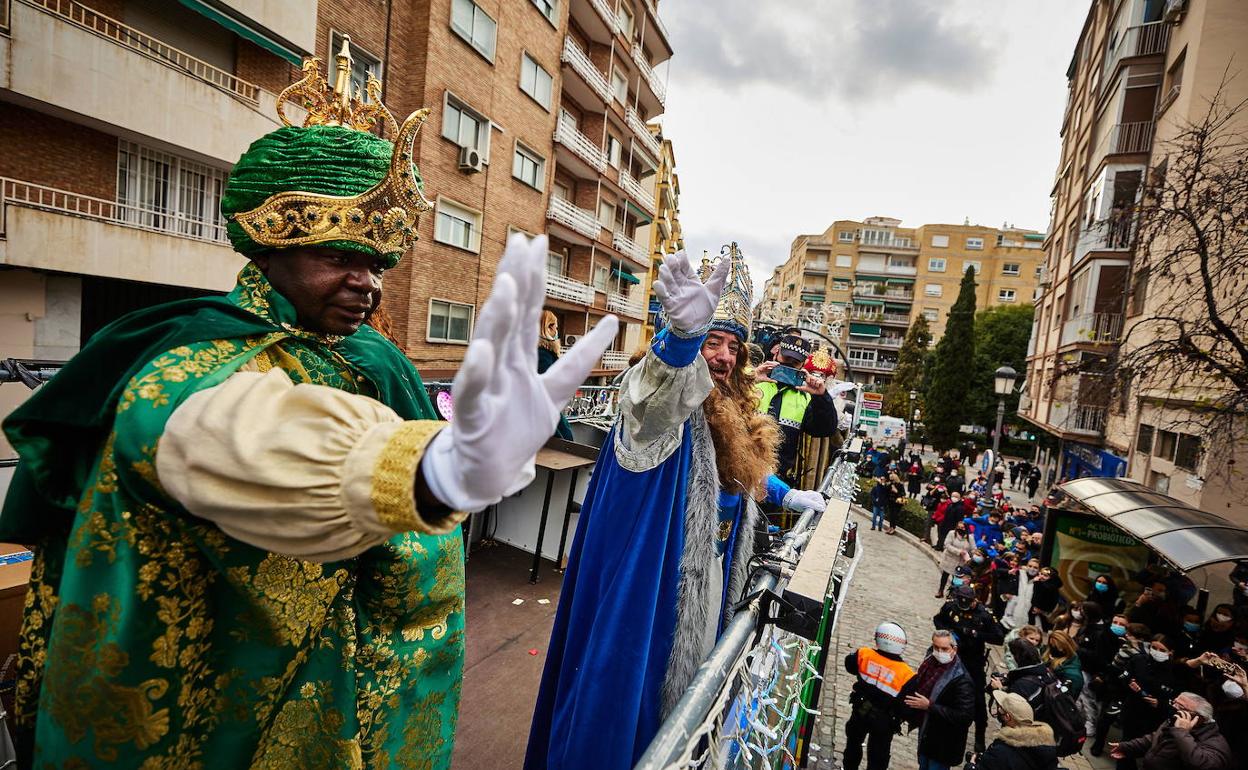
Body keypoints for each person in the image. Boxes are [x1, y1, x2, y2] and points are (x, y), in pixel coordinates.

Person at [0, 59, 619, 768]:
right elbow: (223, 432)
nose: (368, 285)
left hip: (357, 661)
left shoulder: (370, 355)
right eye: (338, 257)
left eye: (379, 264)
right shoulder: (191, 354)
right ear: (272, 247)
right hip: (236, 686)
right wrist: (426, 472)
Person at [525, 246, 827, 770]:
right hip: (661, 586)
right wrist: (682, 340)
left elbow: (736, 473)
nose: (725, 357)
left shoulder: (730, 409)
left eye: (734, 346)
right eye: (715, 341)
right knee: (640, 711)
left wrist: (781, 493)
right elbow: (652, 399)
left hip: (712, 576)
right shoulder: (669, 403)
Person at [753, 334, 842, 485]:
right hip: (742, 471)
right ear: (776, 354)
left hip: (777, 480)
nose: (789, 365)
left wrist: (821, 397)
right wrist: (749, 378)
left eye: (795, 363)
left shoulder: (805, 397)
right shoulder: (755, 383)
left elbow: (825, 429)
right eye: (786, 359)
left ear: (802, 365)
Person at [935, 585, 1006, 752]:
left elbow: (999, 638)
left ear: (974, 600)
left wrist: (976, 633)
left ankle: (979, 738)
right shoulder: (951, 606)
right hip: (952, 656)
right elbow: (938, 619)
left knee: (978, 702)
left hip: (973, 662)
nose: (963, 604)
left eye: (967, 602)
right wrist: (948, 632)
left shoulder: (985, 615)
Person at [842, 623, 917, 770]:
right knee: (878, 757)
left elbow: (849, 666)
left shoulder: (863, 654)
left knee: (853, 744)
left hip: (861, 709)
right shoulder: (906, 674)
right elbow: (906, 705)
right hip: (885, 719)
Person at [899, 630, 976, 770]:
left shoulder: (962, 680)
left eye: (944, 649)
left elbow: (965, 717)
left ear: (954, 649)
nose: (939, 652)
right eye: (936, 647)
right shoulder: (930, 662)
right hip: (927, 732)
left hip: (944, 743)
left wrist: (930, 706)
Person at [1111, 692, 1232, 770]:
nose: (1174, 708)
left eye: (1181, 707)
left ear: (1199, 717)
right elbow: (1155, 738)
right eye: (1174, 703)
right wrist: (1127, 747)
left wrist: (1182, 733)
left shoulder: (1215, 743)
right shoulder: (1174, 721)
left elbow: (1201, 765)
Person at [976, 691, 1059, 770]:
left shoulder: (999, 753)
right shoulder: (1047, 748)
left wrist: (971, 765)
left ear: (1007, 717)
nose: (998, 710)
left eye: (1000, 708)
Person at [539, 310, 576, 440]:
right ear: (548, 327)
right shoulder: (543, 354)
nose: (557, 331)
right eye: (555, 327)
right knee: (565, 441)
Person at [1046, 630, 1087, 699]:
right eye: (1052, 646)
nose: (1055, 649)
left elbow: (1067, 700)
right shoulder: (1049, 659)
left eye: (1058, 647)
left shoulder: (1073, 675)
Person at [938, 520, 974, 598]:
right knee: (945, 575)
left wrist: (971, 555)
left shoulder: (969, 538)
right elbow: (947, 545)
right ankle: (941, 590)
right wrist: (958, 551)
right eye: (959, 527)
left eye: (962, 527)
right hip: (949, 558)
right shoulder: (952, 533)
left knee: (957, 579)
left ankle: (952, 594)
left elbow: (973, 548)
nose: (960, 529)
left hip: (961, 562)